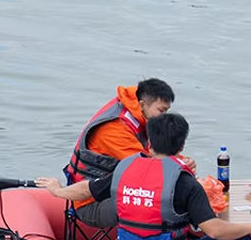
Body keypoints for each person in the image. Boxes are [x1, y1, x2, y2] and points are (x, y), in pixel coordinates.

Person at [38, 113, 251, 240]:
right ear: (182, 146)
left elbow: (86, 190)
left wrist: (57, 190)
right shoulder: (185, 182)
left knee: (164, 233)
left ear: (149, 143)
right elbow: (215, 231)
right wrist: (250, 228)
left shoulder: (124, 169)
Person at [63, 78, 196, 228]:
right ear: (142, 104)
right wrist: (180, 164)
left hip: (110, 188)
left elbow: (154, 153)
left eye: (166, 111)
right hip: (91, 202)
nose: (164, 117)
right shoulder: (115, 129)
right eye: (161, 111)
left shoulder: (137, 111)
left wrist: (181, 160)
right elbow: (147, 166)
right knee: (167, 200)